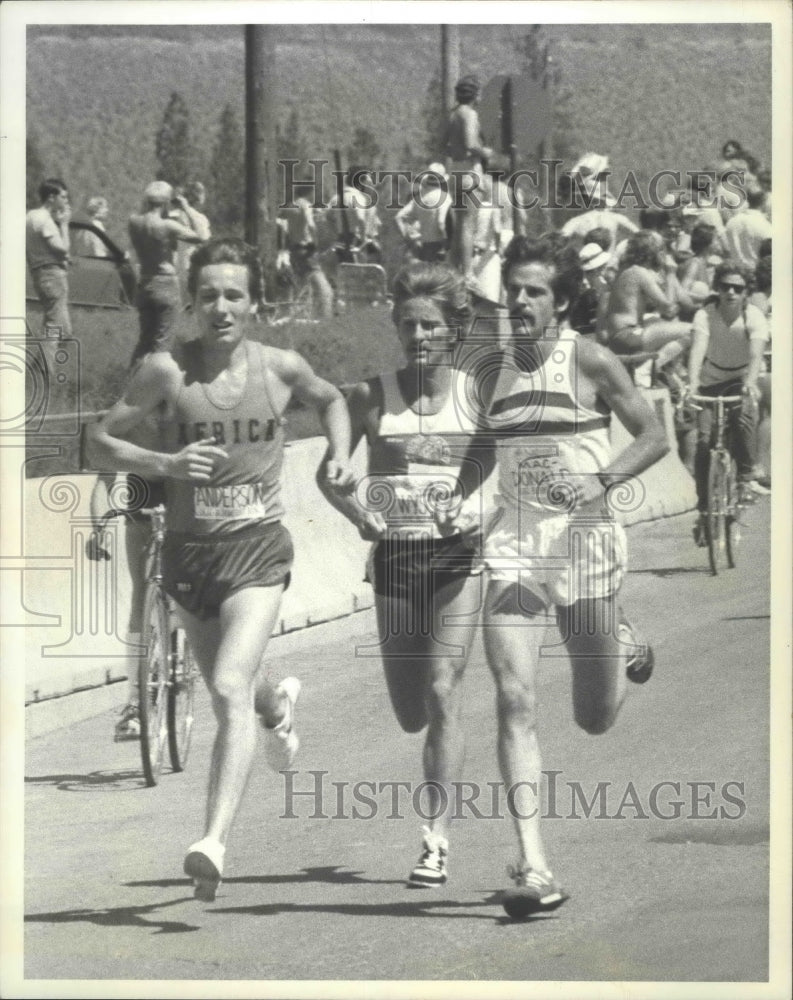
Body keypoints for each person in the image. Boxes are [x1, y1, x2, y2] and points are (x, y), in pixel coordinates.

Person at [87, 237, 353, 901]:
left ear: (253, 302)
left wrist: (340, 457)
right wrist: (165, 466)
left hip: (257, 550)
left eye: (234, 294)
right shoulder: (165, 371)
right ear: (192, 303)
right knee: (239, 690)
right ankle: (278, 706)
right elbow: (99, 440)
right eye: (208, 296)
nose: (221, 307)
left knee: (227, 687)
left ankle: (212, 841)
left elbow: (334, 400)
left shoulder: (280, 367)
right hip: (187, 555)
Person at [442, 234, 668, 917]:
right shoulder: (492, 370)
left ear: (562, 301)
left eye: (534, 290)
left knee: (593, 717)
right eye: (513, 288)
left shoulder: (591, 360)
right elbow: (486, 441)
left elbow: (653, 435)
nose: (519, 300)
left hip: (583, 541)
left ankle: (620, 639)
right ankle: (533, 865)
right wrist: (460, 495)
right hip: (513, 540)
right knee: (513, 697)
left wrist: (598, 483)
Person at [317, 262, 489, 886]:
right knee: (410, 712)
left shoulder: (477, 395)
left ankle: (435, 838)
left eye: (432, 326)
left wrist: (477, 507)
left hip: (456, 555)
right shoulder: (371, 395)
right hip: (394, 559)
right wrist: (357, 509)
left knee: (445, 688)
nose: (419, 337)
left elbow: (505, 461)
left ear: (453, 332)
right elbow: (328, 472)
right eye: (409, 325)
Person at [687, 261, 770, 543]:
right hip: (710, 382)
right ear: (717, 288)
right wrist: (692, 383)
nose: (731, 293)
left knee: (744, 416)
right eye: (725, 287)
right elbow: (698, 349)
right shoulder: (705, 315)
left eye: (738, 288)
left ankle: (745, 479)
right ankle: (704, 511)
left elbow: (757, 354)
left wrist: (749, 383)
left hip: (739, 379)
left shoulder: (754, 316)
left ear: (746, 292)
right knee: (702, 443)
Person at [127, 180, 205, 363]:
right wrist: (186, 207)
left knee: (144, 341)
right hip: (165, 282)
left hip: (145, 281)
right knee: (162, 343)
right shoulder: (167, 226)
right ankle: (156, 386)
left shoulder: (134, 221)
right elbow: (202, 236)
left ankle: (132, 383)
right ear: (166, 202)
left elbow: (142, 214)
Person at [605, 230, 693, 365]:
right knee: (694, 330)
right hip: (627, 335)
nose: (665, 254)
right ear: (652, 252)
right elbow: (669, 310)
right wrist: (671, 273)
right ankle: (649, 370)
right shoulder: (639, 273)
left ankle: (661, 370)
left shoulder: (630, 270)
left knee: (659, 321)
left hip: (620, 335)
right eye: (662, 249)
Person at [443, 74, 493, 280]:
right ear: (476, 95)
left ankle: (455, 269)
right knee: (468, 224)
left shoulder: (452, 115)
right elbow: (471, 143)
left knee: (459, 223)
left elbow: (442, 144)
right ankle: (469, 272)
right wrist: (486, 153)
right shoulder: (469, 115)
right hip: (470, 171)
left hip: (454, 170)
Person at [277, 180, 334, 319]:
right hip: (307, 250)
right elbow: (311, 224)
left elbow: (278, 220)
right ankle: (326, 317)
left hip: (294, 250)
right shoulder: (305, 205)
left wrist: (286, 235)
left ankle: (295, 316)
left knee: (301, 287)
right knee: (324, 288)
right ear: (310, 192)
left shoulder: (290, 205)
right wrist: (316, 243)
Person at [26, 178, 72, 339]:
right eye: (63, 197)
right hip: (52, 275)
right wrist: (64, 225)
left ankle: (36, 364)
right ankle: (45, 364)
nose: (66, 201)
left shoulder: (31, 215)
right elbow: (62, 249)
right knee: (55, 329)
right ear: (52, 197)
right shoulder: (44, 219)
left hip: (39, 273)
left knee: (61, 329)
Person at [394, 163, 451, 264]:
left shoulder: (420, 198)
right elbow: (441, 223)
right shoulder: (444, 198)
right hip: (439, 248)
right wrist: (447, 243)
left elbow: (399, 217)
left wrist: (410, 240)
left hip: (424, 247)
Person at [328, 166, 382, 264]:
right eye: (368, 178)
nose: (370, 182)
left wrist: (336, 233)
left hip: (341, 242)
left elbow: (327, 217)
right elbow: (360, 219)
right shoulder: (358, 197)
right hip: (355, 242)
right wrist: (363, 240)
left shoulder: (336, 198)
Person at [723, 184, 773, 273]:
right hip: (756, 273)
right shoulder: (765, 226)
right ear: (764, 201)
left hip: (733, 272)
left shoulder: (732, 221)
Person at [176, 181, 212, 289]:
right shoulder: (198, 217)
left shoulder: (179, 214)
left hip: (181, 265)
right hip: (192, 265)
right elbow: (204, 238)